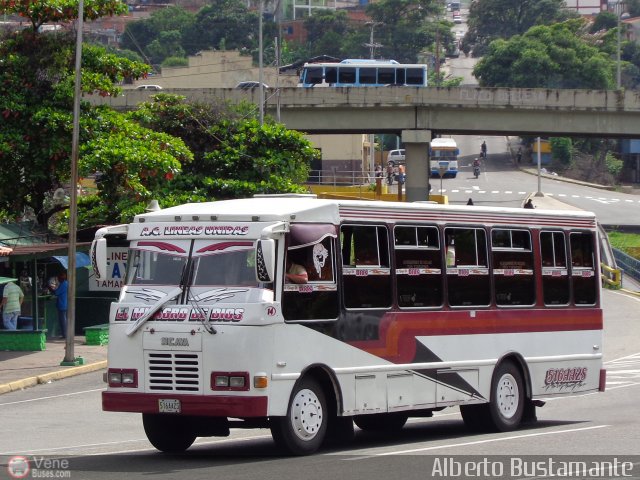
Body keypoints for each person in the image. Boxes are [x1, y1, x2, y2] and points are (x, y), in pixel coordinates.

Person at [50, 271, 68, 338]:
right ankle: (65, 334)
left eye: (58, 278)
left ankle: (65, 335)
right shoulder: (66, 283)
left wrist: (50, 288)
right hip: (65, 304)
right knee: (64, 320)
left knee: (63, 320)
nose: (58, 279)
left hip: (62, 304)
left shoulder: (63, 284)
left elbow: (56, 292)